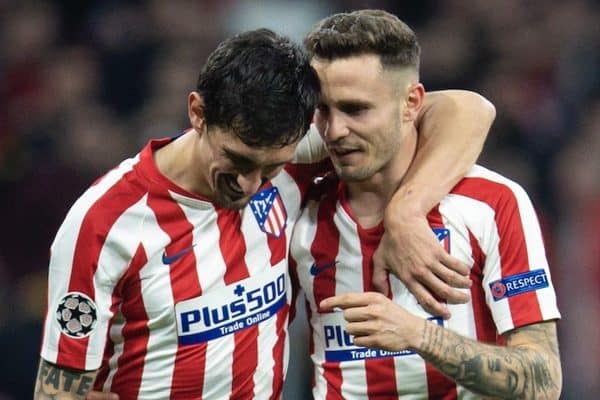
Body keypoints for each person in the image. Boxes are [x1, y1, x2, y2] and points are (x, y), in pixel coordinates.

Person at [34, 27, 494, 399]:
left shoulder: (293, 162)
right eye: (236, 160)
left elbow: (468, 109)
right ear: (198, 112)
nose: (250, 184)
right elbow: (56, 390)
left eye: (270, 168)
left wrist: (406, 212)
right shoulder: (104, 222)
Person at [290, 9, 562, 399]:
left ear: (412, 102)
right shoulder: (301, 206)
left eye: (356, 109)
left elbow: (544, 381)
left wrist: (418, 335)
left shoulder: (490, 204)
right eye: (323, 109)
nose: (334, 131)